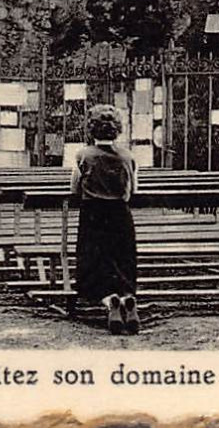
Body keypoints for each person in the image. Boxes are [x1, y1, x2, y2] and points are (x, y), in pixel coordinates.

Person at [71, 104, 139, 334]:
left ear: (92, 129)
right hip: (120, 215)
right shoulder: (127, 156)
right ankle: (128, 298)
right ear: (117, 129)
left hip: (93, 215)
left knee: (93, 264)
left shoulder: (83, 155)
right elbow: (133, 191)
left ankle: (110, 302)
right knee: (122, 261)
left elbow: (74, 189)